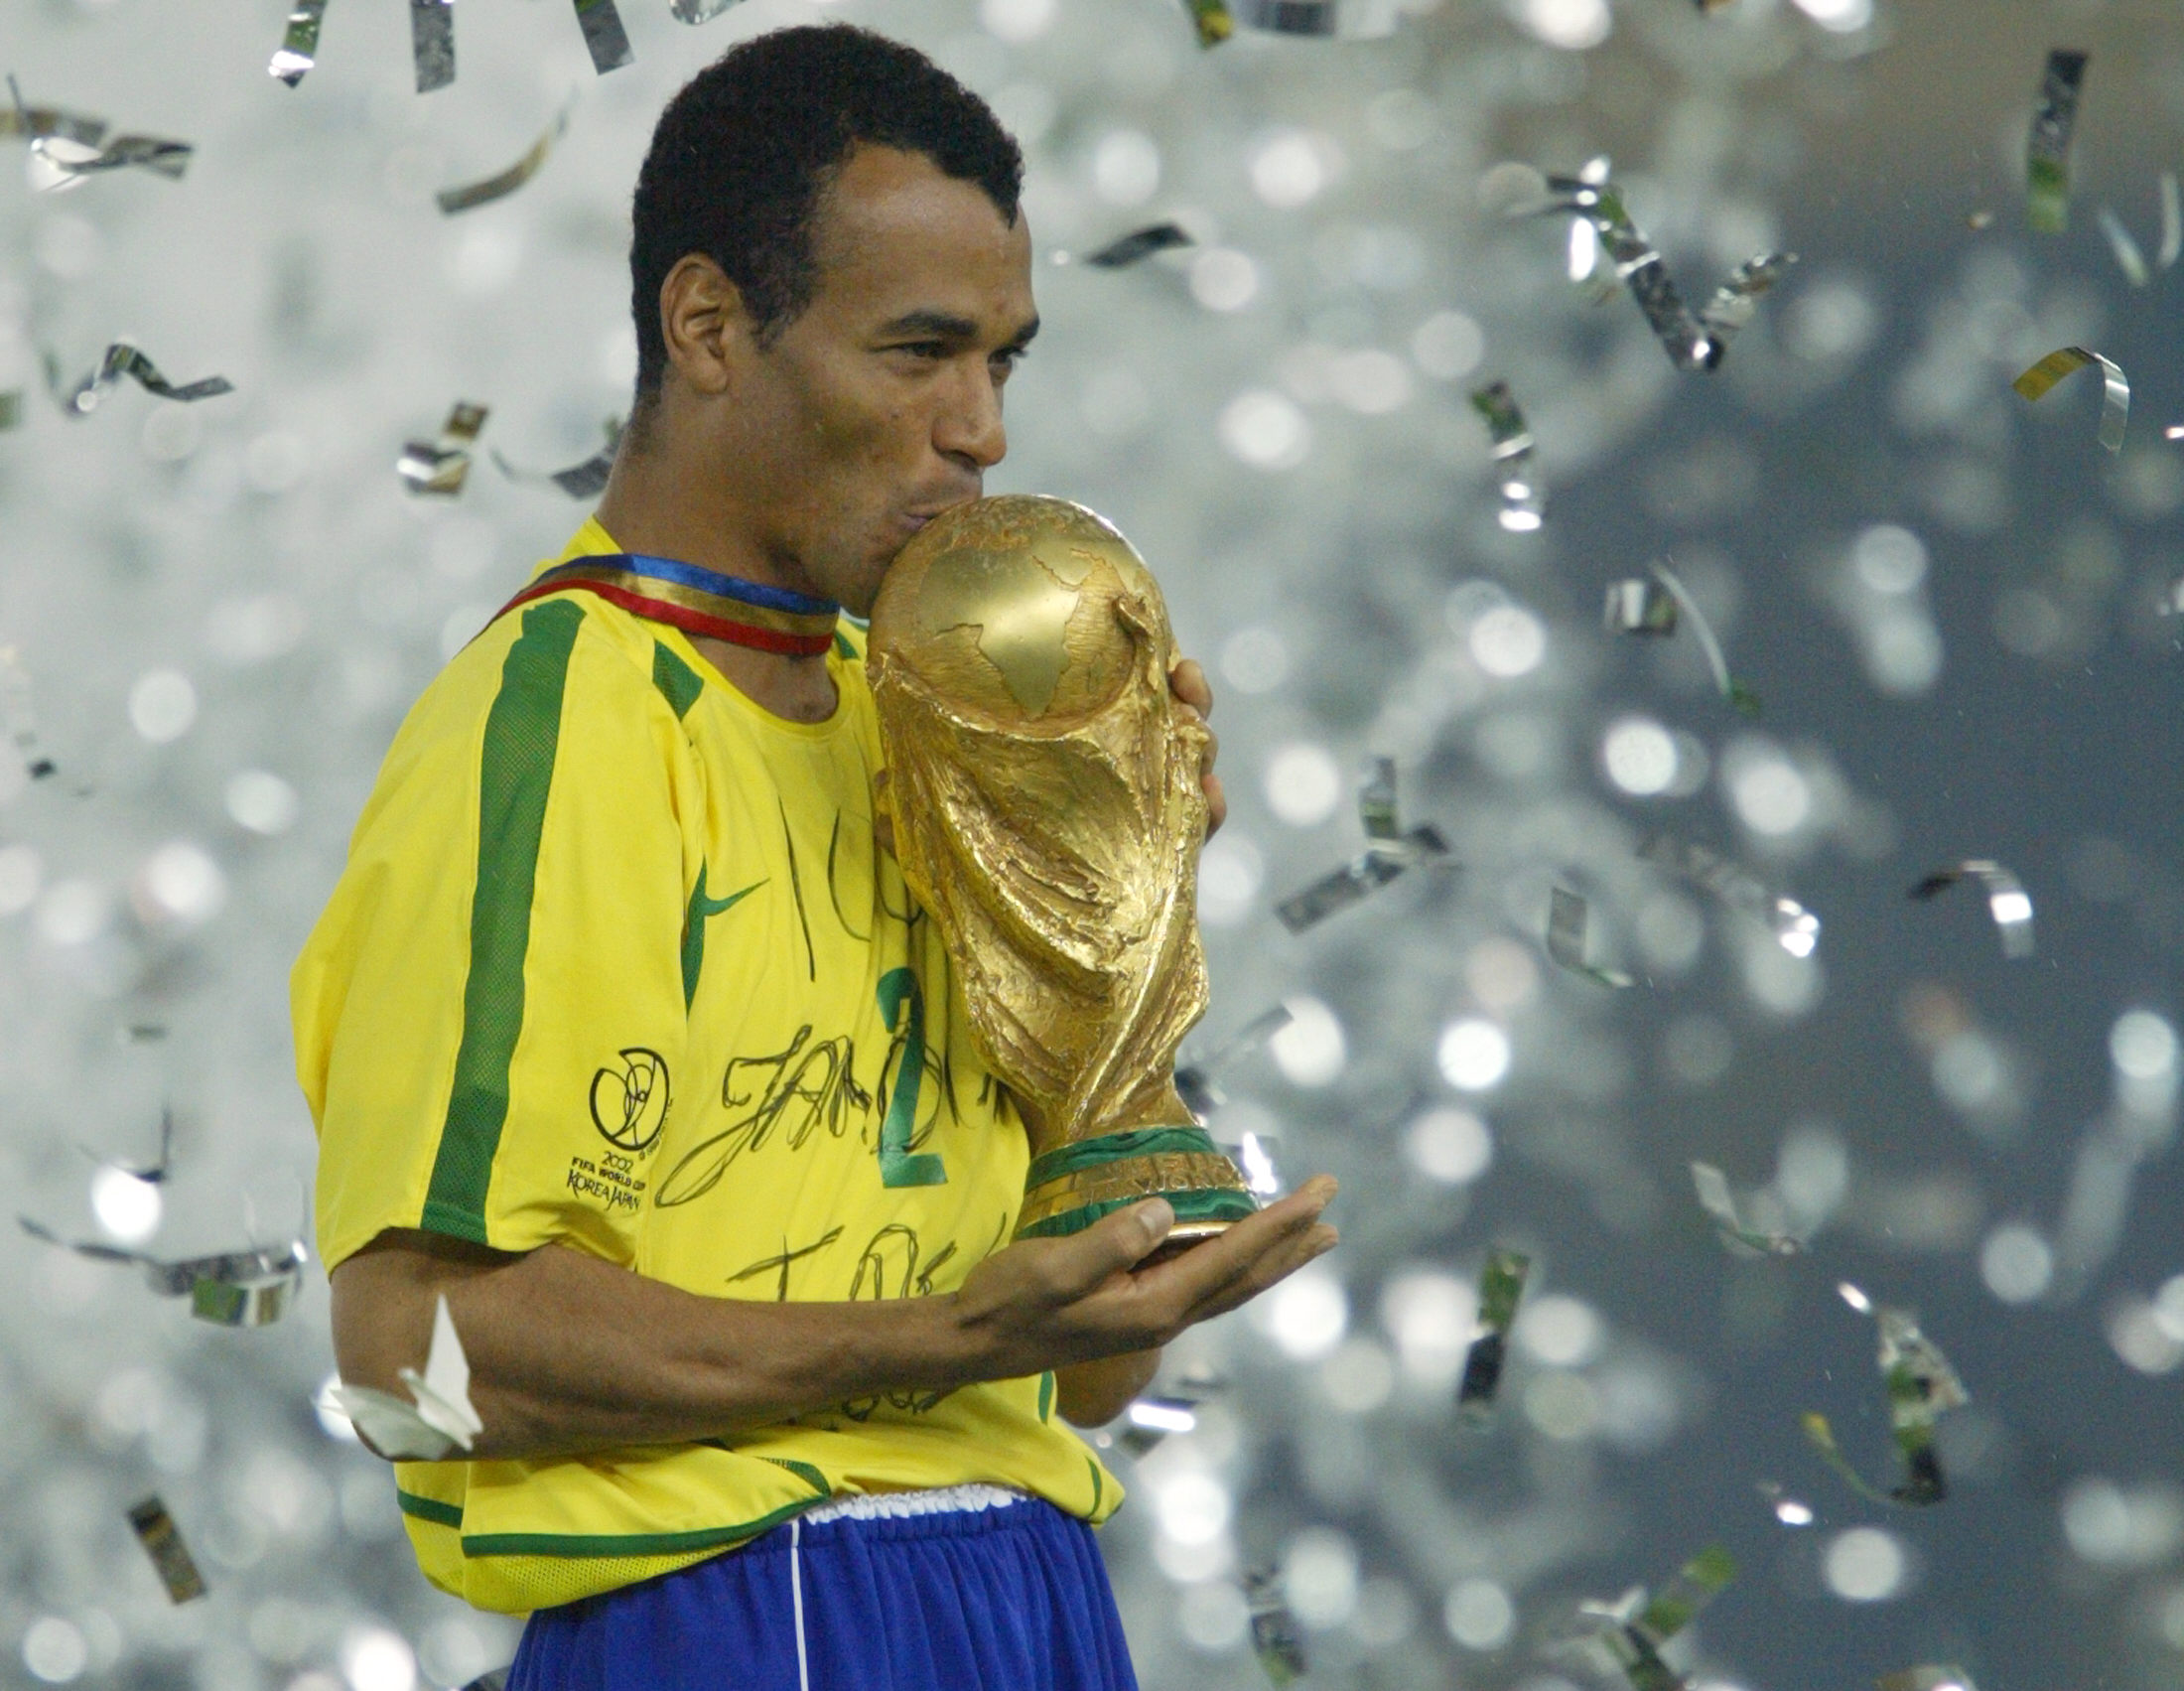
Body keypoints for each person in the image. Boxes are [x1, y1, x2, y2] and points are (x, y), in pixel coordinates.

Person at [293, 24, 1337, 1691]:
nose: (981, 427)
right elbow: (407, 1357)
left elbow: (1075, 1388)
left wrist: (1120, 940)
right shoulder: (550, 724)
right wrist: (945, 1343)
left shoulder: (936, 723)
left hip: (1030, 1592)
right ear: (707, 324)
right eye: (919, 352)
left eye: (1003, 361)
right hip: (735, 1614)